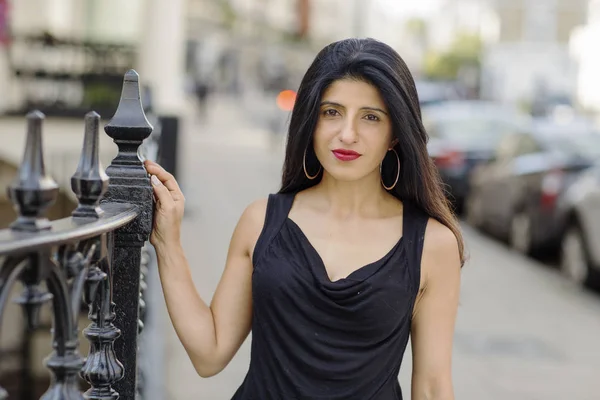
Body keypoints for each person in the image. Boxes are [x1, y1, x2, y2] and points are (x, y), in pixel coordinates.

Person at [144, 38, 464, 400]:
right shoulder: (261, 221)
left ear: (395, 135)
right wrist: (168, 243)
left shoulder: (432, 246)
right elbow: (209, 352)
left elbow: (434, 385)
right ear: (310, 121)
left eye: (371, 117)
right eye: (332, 112)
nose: (347, 134)